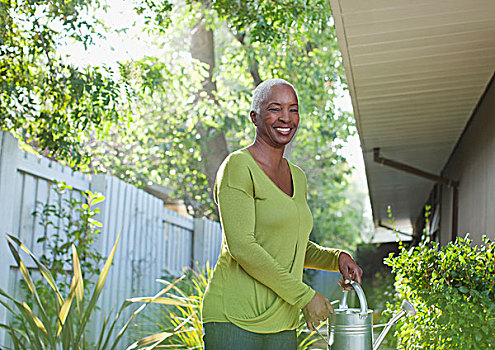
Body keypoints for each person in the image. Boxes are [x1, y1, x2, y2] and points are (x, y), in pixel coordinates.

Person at [201, 78, 363, 350]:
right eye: (275, 109)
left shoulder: (297, 177)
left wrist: (336, 258)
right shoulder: (238, 167)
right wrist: (305, 297)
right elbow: (242, 246)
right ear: (255, 117)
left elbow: (291, 246)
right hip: (234, 322)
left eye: (293, 109)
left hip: (284, 324)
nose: (286, 118)